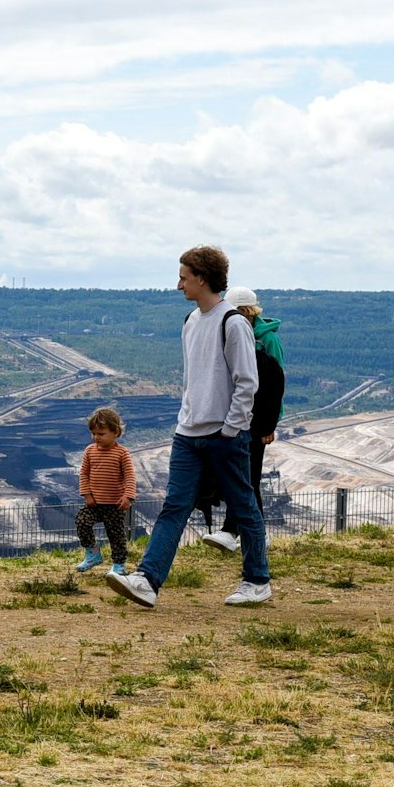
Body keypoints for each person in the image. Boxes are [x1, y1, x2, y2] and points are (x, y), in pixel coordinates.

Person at [106, 246, 272, 608]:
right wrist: (187, 418)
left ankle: (257, 580)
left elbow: (247, 382)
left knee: (243, 505)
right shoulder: (190, 321)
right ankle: (147, 581)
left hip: (223, 436)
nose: (178, 283)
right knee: (175, 505)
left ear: (202, 278)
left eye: (183, 277)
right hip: (188, 433)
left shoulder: (233, 322)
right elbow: (192, 379)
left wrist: (231, 429)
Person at [199, 286, 285, 553]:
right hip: (236, 417)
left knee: (248, 477)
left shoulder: (267, 341)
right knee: (242, 477)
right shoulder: (235, 334)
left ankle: (234, 532)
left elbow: (275, 386)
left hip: (257, 420)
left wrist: (270, 424)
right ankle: (250, 534)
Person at [74, 406, 135, 576]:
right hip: (94, 503)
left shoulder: (122, 453)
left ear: (115, 432)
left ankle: (119, 564)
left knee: (116, 535)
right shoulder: (89, 451)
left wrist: (128, 496)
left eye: (101, 434)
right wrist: (87, 495)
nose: (96, 438)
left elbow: (130, 476)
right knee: (82, 521)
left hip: (115, 504)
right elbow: (84, 473)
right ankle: (92, 554)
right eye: (93, 433)